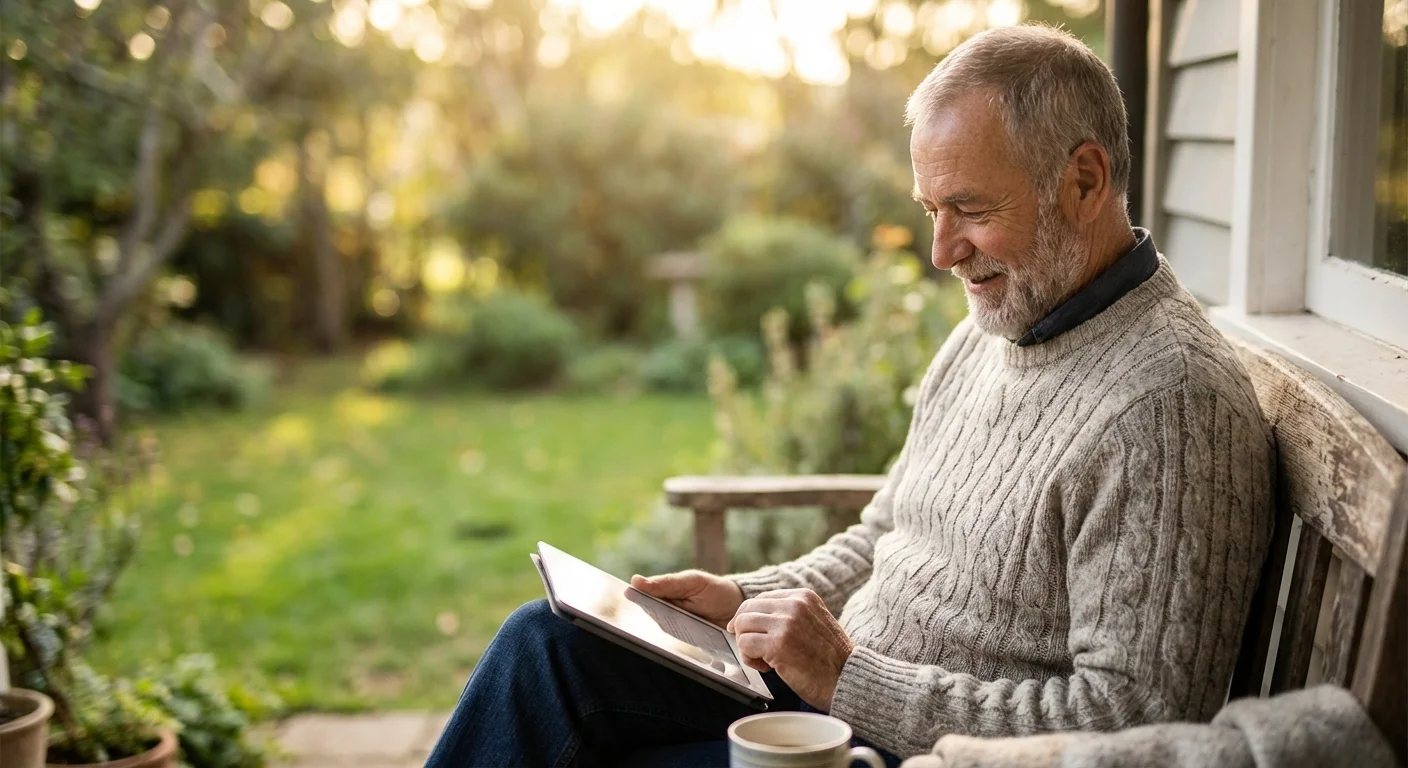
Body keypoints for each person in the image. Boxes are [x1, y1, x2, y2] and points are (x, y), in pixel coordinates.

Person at [425, 23, 1275, 768]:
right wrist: (745, 600)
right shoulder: (1000, 325)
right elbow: (886, 532)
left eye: (970, 208)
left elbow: (1133, 724)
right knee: (547, 645)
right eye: (930, 209)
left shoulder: (1169, 409)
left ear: (1084, 183)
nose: (942, 253)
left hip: (907, 751)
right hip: (826, 703)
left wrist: (846, 676)